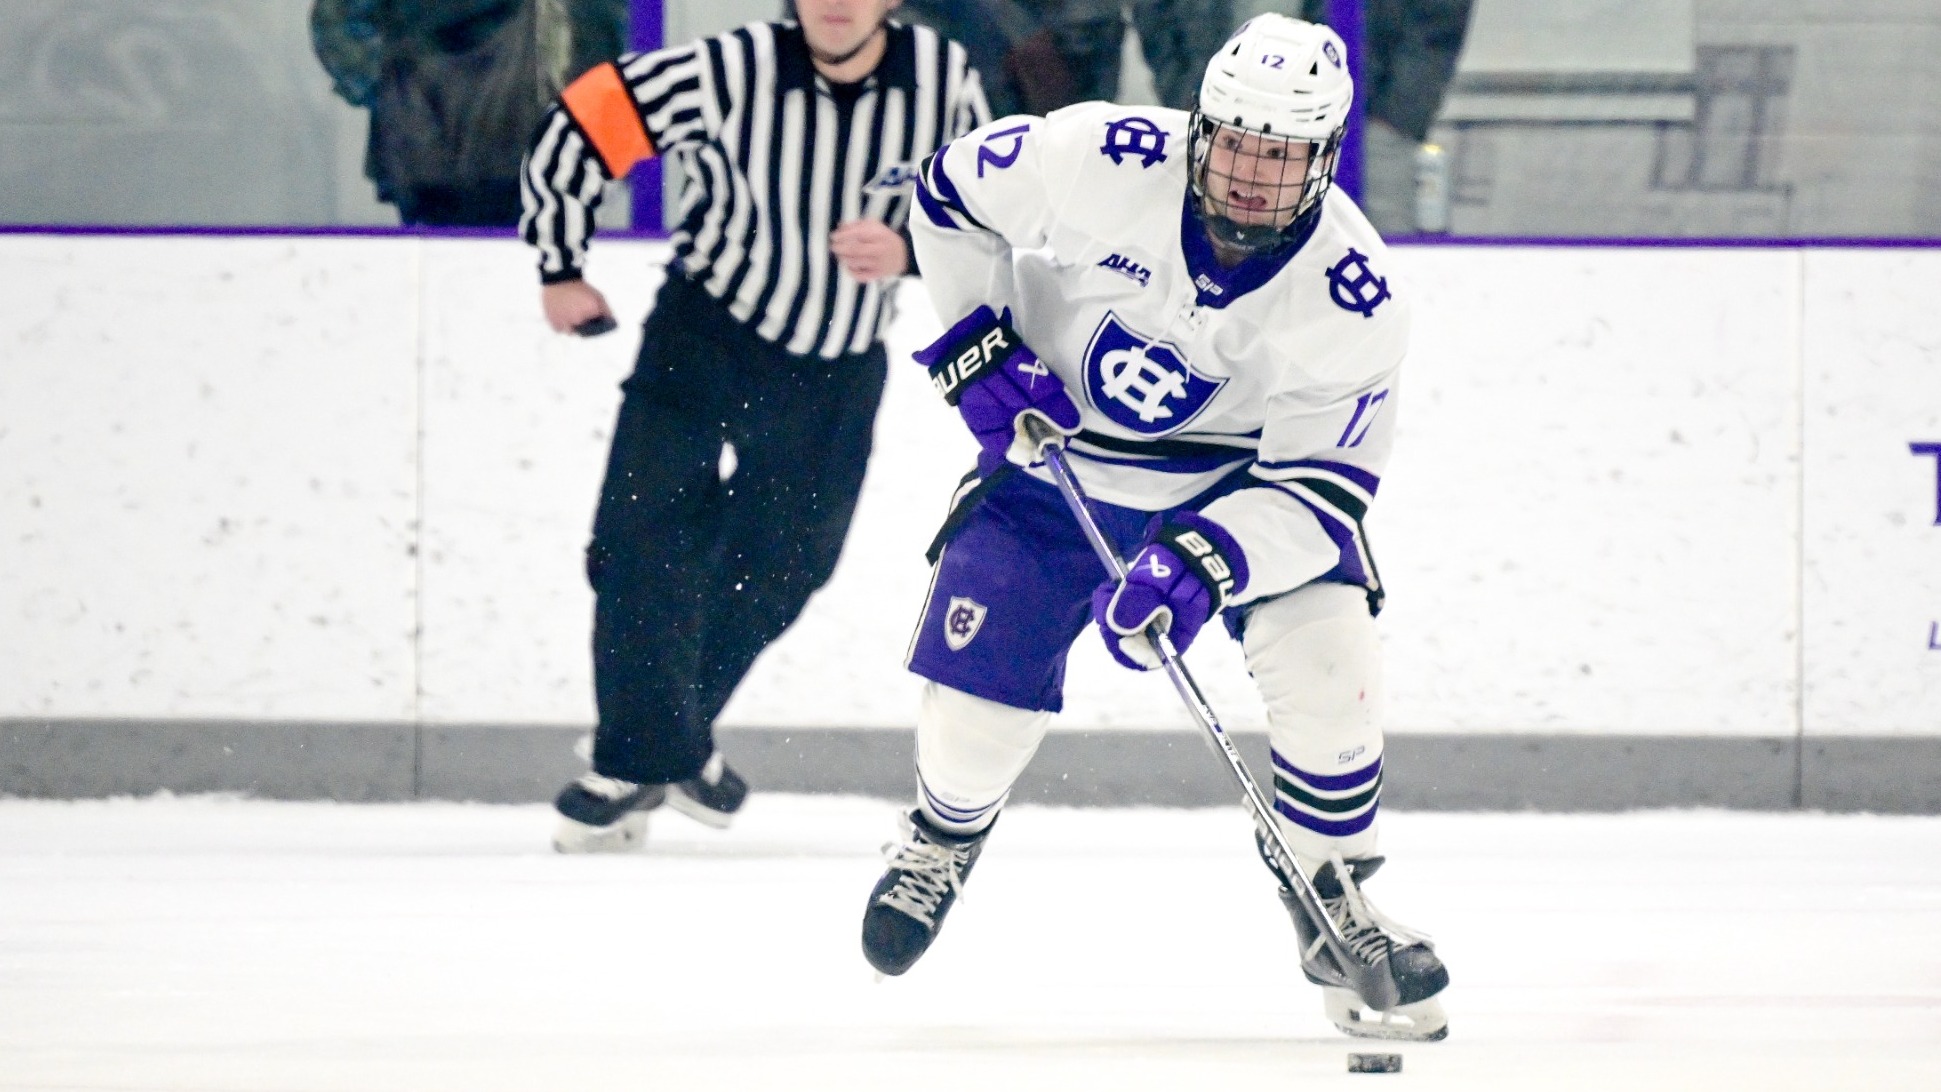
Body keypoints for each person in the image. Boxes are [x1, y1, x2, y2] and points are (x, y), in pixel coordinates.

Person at [857, 13, 1449, 1041]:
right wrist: (972, 340)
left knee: (1329, 661)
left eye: (1283, 159)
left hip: (1235, 490)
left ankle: (1330, 888)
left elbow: (1321, 489)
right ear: (1200, 127)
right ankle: (943, 832)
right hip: (1057, 454)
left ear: (1325, 160)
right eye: (1237, 147)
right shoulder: (1095, 153)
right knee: (971, 730)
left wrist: (1203, 561)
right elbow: (947, 196)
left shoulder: (1356, 300)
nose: (1251, 178)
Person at [520, 0, 990, 852]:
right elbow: (582, 125)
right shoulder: (725, 70)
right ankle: (645, 758)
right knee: (637, 543)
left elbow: (989, 217)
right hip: (703, 334)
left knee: (784, 565)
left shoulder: (942, 79)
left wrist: (912, 250)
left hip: (836, 366)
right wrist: (560, 265)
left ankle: (663, 744)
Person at [311, 0, 627, 226]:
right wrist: (395, 93)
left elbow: (612, 25)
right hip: (433, 166)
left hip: (521, 149)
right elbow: (336, 21)